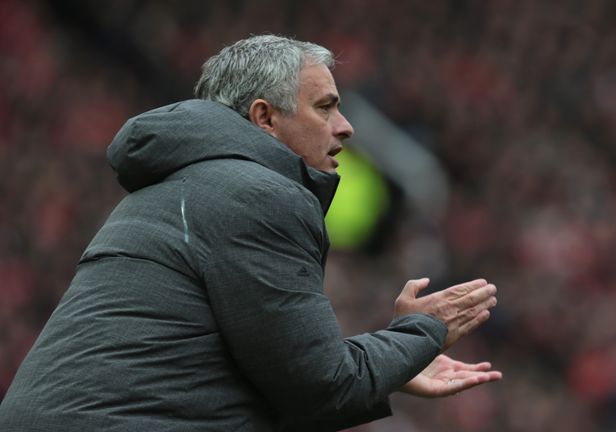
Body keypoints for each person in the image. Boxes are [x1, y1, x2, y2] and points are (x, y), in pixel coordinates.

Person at [0, 34, 500, 431]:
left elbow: (256, 390)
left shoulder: (180, 187)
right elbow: (321, 388)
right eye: (325, 107)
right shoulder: (258, 196)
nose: (346, 126)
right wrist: (420, 333)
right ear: (264, 117)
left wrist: (395, 361)